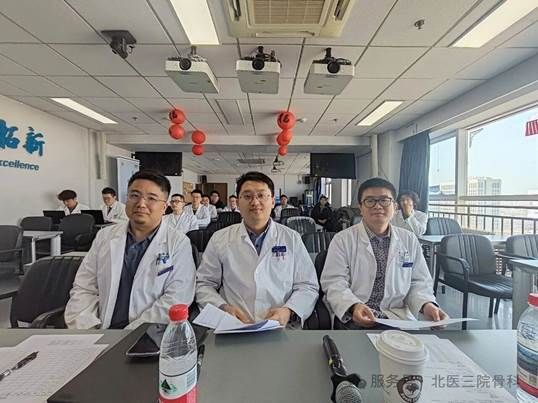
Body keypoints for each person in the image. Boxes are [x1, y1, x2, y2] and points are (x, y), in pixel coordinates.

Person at [65, 170, 196, 329]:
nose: (141, 203)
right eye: (134, 195)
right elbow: (84, 287)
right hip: (100, 330)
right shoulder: (105, 236)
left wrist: (132, 333)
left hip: (148, 333)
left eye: (151, 198)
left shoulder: (178, 242)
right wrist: (88, 327)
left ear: (164, 207)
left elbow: (178, 296)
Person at [320, 177, 446, 330]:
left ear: (394, 206)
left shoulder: (409, 239)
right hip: (355, 317)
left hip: (397, 318)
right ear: (360, 207)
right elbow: (334, 282)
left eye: (384, 200)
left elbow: (418, 282)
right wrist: (353, 306)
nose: (377, 206)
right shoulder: (343, 239)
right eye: (370, 201)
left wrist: (426, 304)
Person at [196, 171, 318, 327]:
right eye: (247, 196)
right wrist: (222, 307)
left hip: (281, 326)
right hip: (233, 325)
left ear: (272, 201)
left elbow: (307, 285)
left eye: (261, 195)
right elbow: (204, 284)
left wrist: (289, 311)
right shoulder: (220, 239)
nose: (255, 202)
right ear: (237, 202)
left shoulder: (291, 238)